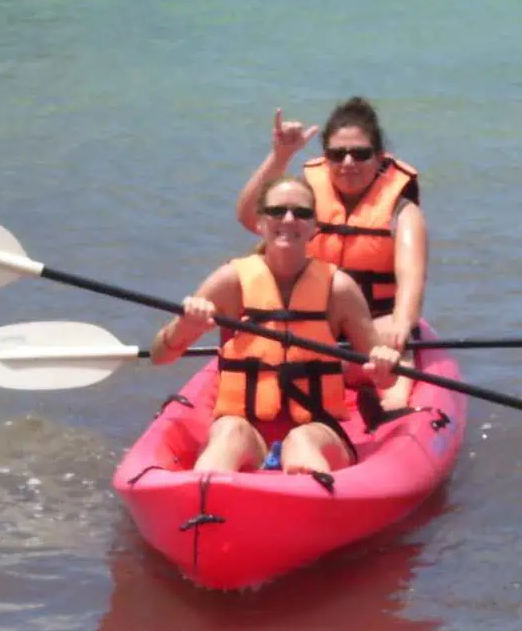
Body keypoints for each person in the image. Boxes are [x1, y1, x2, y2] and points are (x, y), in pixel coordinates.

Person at [151, 176, 399, 474]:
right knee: (228, 435)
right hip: (247, 426)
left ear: (314, 227)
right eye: (278, 211)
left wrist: (385, 365)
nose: (289, 219)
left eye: (302, 212)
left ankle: (307, 503)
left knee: (301, 442)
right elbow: (159, 356)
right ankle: (206, 502)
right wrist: (187, 326)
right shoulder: (230, 281)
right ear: (260, 222)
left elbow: (385, 380)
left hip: (317, 428)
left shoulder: (339, 289)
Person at [236, 97, 427, 411]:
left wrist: (400, 328)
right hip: (315, 321)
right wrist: (281, 155)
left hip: (376, 327)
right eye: (337, 154)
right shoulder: (305, 203)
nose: (348, 163)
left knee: (392, 365)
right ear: (325, 159)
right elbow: (248, 217)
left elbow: (411, 282)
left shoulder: (403, 212)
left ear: (380, 157)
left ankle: (391, 414)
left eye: (360, 154)